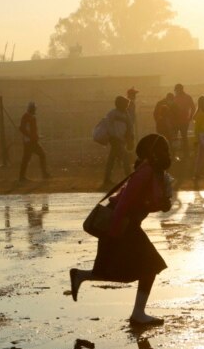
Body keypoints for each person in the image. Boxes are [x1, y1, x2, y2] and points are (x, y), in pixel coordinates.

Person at [71, 133, 173, 326]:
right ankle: (138, 314)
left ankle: (80, 275)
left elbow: (143, 203)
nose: (167, 153)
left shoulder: (153, 172)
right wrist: (115, 231)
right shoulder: (146, 171)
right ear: (153, 152)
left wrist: (161, 205)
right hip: (121, 223)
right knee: (150, 265)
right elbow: (124, 203)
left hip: (127, 224)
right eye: (163, 149)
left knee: (117, 270)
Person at [101, 96, 131, 188]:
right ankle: (129, 177)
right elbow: (108, 126)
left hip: (122, 140)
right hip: (115, 139)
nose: (126, 106)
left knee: (112, 159)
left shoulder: (126, 114)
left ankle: (107, 179)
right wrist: (113, 136)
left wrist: (129, 137)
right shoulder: (112, 113)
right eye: (125, 105)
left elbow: (129, 127)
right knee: (125, 157)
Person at [18, 102, 51, 181]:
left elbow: (31, 130)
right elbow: (22, 128)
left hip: (32, 141)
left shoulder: (31, 117)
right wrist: (31, 136)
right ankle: (43, 174)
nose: (35, 110)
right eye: (34, 108)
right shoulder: (26, 116)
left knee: (30, 157)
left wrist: (36, 136)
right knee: (37, 156)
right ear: (31, 109)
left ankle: (23, 176)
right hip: (29, 142)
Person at [172, 83, 195, 160]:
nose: (176, 91)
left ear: (179, 89)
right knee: (180, 138)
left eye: (176, 90)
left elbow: (193, 107)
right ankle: (178, 154)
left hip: (182, 121)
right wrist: (190, 116)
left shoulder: (184, 98)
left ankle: (183, 154)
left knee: (182, 138)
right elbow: (193, 107)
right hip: (179, 121)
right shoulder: (182, 97)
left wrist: (191, 116)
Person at [124, 87, 139, 151]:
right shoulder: (130, 103)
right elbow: (129, 115)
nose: (135, 96)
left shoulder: (128, 102)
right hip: (128, 125)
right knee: (129, 140)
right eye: (134, 94)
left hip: (128, 124)